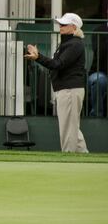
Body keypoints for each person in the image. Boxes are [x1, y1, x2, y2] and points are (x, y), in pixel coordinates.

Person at [25, 13, 89, 153]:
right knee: (72, 129)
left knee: (68, 129)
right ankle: (84, 157)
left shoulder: (74, 44)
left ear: (73, 27)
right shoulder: (68, 44)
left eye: (64, 24)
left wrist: (38, 57)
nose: (60, 26)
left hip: (70, 90)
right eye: (60, 24)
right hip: (67, 89)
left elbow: (57, 64)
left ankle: (68, 158)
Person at [87, 16, 108, 116]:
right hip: (101, 71)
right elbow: (100, 51)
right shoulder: (99, 30)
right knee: (97, 81)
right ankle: (96, 116)